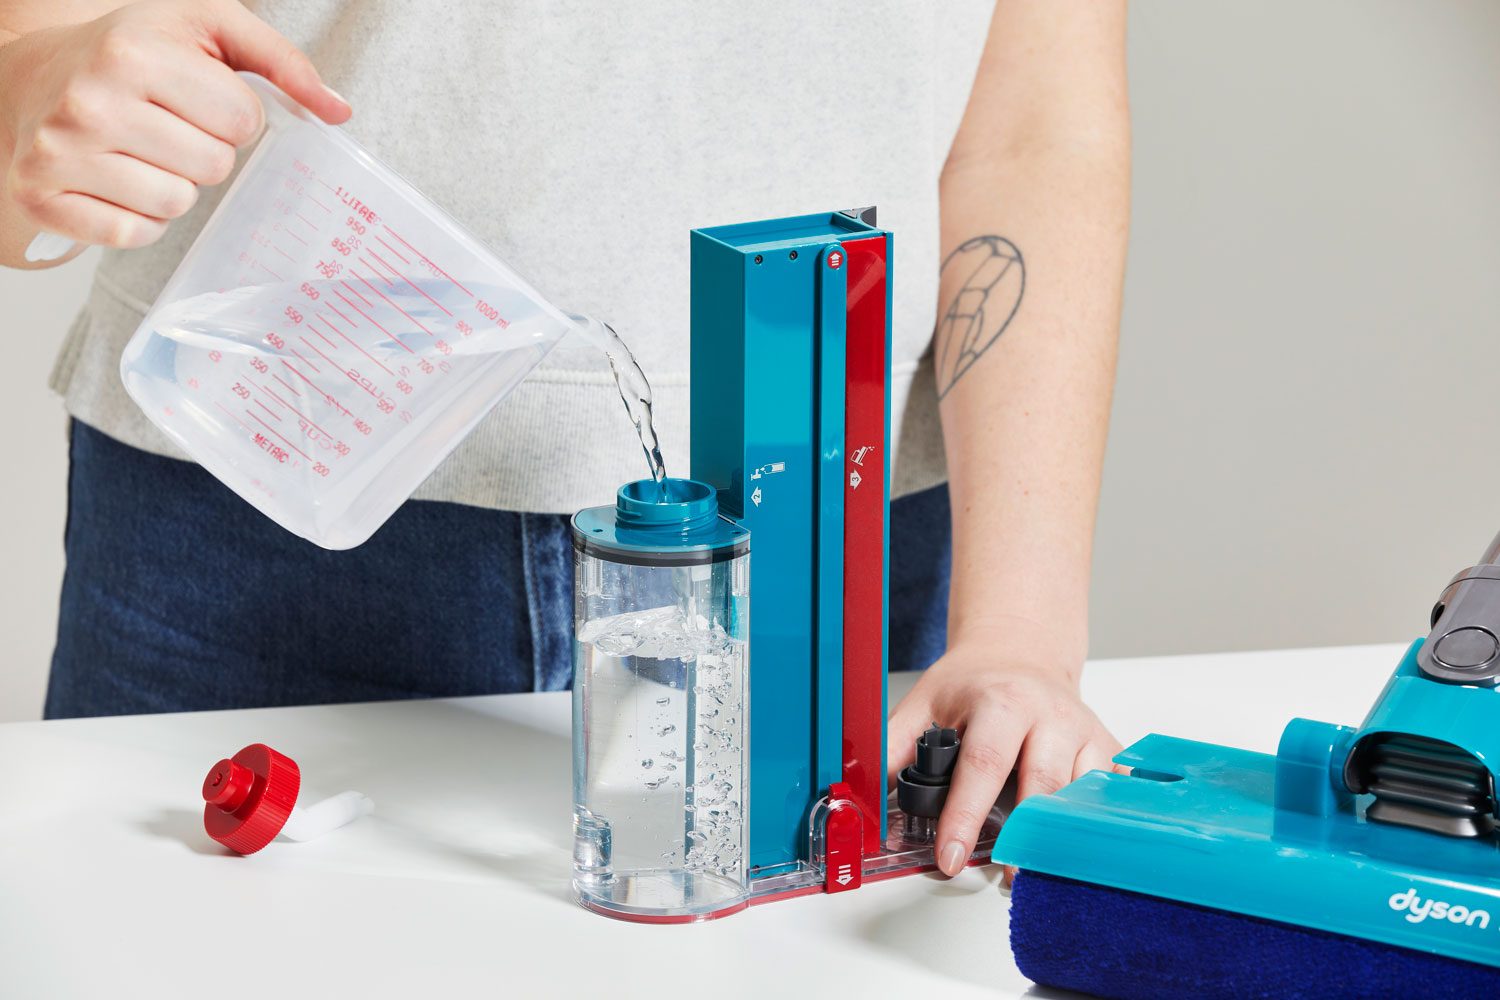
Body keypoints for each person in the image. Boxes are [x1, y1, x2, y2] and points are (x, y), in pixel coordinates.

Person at [0, 0, 1129, 878]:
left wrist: (1021, 628)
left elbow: (1039, 122)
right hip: (264, 488)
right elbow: (41, 53)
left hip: (830, 532)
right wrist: (29, 81)